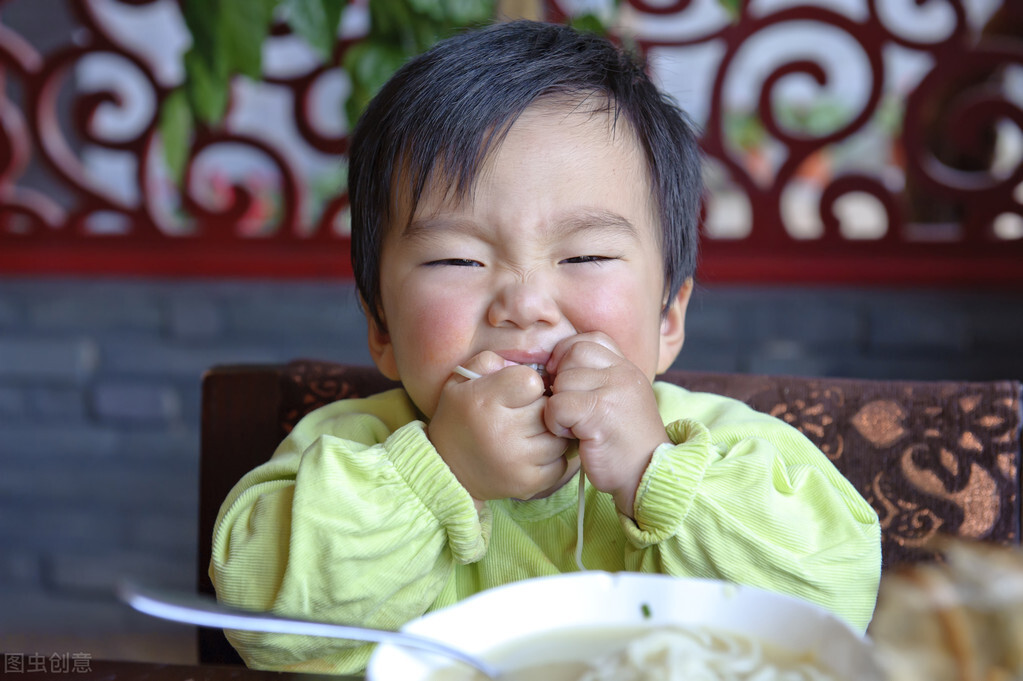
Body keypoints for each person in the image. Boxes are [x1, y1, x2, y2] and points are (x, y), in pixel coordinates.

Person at [210, 19, 881, 674]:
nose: (525, 303)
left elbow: (833, 602)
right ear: (381, 326)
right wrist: (438, 473)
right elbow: (265, 623)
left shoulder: (734, 453)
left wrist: (658, 471)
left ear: (668, 316)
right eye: (457, 260)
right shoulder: (345, 456)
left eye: (585, 254)